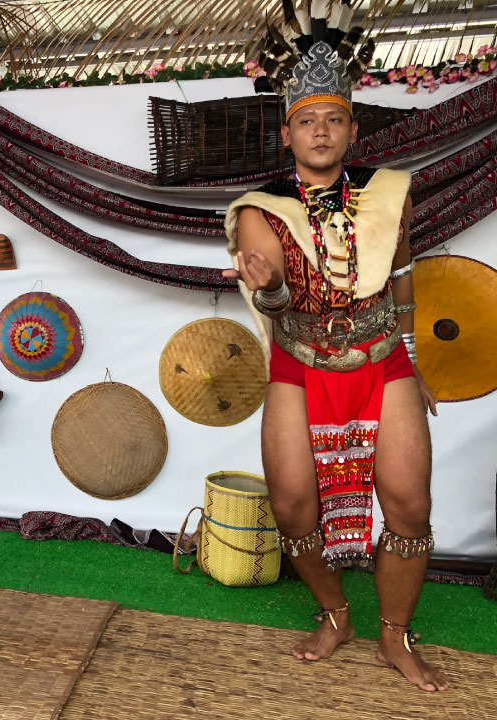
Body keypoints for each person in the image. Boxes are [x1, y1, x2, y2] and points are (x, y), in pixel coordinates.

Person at [223, 4, 445, 692]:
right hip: (300, 362)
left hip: (383, 357)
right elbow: (278, 304)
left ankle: (393, 637)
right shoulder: (259, 211)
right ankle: (337, 614)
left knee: (409, 505)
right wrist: (267, 293)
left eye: (334, 118)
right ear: (286, 131)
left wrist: (412, 356)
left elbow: (401, 276)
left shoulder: (389, 195)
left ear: (353, 126)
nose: (321, 132)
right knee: (293, 505)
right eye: (306, 121)